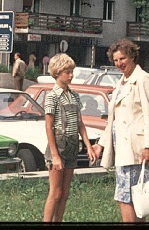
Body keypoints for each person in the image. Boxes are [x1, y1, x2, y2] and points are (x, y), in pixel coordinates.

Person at [92, 38, 149, 224]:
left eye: (122, 58)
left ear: (132, 56)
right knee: (130, 198)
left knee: (131, 199)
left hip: (136, 150)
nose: (119, 63)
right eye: (115, 60)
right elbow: (113, 120)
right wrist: (101, 144)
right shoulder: (121, 83)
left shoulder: (143, 79)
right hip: (122, 150)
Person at [42, 53, 96, 223]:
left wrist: (88, 146)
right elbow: (48, 126)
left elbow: (80, 123)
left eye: (72, 71)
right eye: (67, 72)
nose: (71, 75)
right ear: (57, 73)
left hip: (73, 144)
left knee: (65, 193)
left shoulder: (74, 95)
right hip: (58, 144)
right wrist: (55, 155)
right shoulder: (52, 96)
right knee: (55, 192)